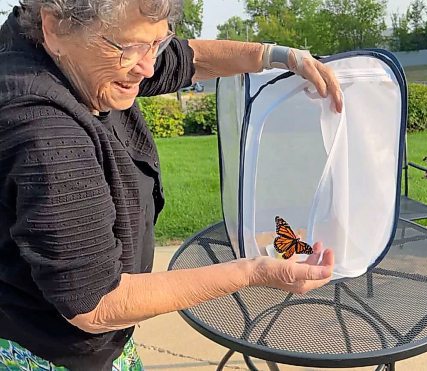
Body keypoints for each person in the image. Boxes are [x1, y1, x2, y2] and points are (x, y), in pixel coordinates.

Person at [0, 1, 343, 370]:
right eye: (129, 48)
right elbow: (97, 303)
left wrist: (278, 56)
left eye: (156, 43)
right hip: (47, 352)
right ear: (54, 27)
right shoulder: (45, 132)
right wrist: (253, 272)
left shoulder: (68, 48)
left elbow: (189, 60)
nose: (147, 67)